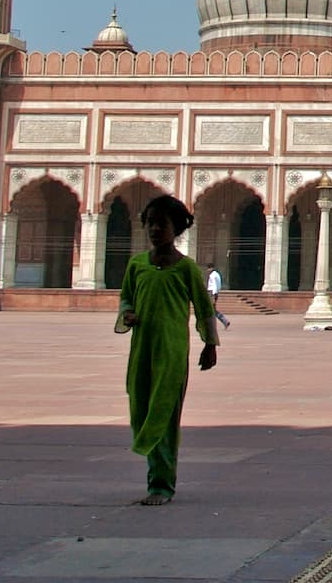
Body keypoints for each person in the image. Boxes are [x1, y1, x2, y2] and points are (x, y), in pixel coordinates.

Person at [114, 194, 218, 506]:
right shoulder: (137, 265)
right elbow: (125, 300)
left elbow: (204, 309)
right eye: (151, 224)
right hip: (142, 348)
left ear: (178, 228)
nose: (156, 229)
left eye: (163, 224)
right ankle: (155, 472)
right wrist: (127, 316)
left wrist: (210, 345)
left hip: (172, 351)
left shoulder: (185, 268)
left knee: (165, 413)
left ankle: (161, 484)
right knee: (141, 407)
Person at [204, 264, 231, 330]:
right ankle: (224, 321)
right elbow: (218, 285)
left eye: (208, 268)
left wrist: (213, 296)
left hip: (212, 293)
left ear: (211, 268)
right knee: (212, 310)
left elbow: (214, 285)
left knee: (211, 310)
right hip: (215, 293)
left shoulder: (212, 276)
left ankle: (221, 322)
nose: (207, 270)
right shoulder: (217, 274)